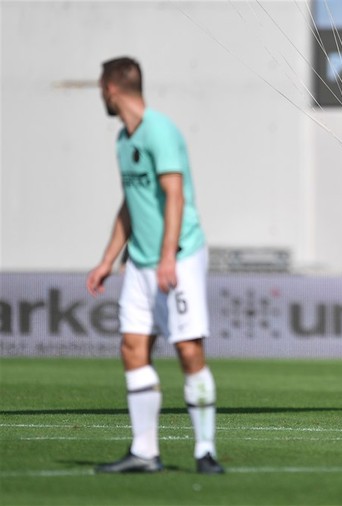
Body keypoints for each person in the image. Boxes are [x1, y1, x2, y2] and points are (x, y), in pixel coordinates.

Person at [86, 56, 223, 474]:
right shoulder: (122, 140)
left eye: (100, 88)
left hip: (177, 257)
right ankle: (145, 451)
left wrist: (167, 258)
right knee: (132, 348)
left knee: (187, 349)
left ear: (112, 88)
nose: (100, 95)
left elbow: (175, 196)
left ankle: (204, 451)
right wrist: (108, 259)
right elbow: (132, 204)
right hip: (140, 264)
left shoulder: (159, 130)